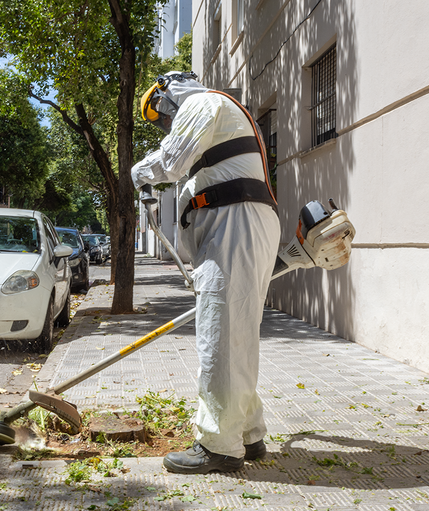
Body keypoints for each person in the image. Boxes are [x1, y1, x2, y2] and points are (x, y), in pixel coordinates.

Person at [132, 71, 281, 474]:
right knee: (238, 335)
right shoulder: (222, 111)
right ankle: (247, 434)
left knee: (220, 334)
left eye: (161, 115)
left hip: (234, 223)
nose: (164, 124)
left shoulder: (202, 103)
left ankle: (217, 445)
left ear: (168, 95)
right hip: (238, 223)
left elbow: (172, 159)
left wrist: (141, 171)